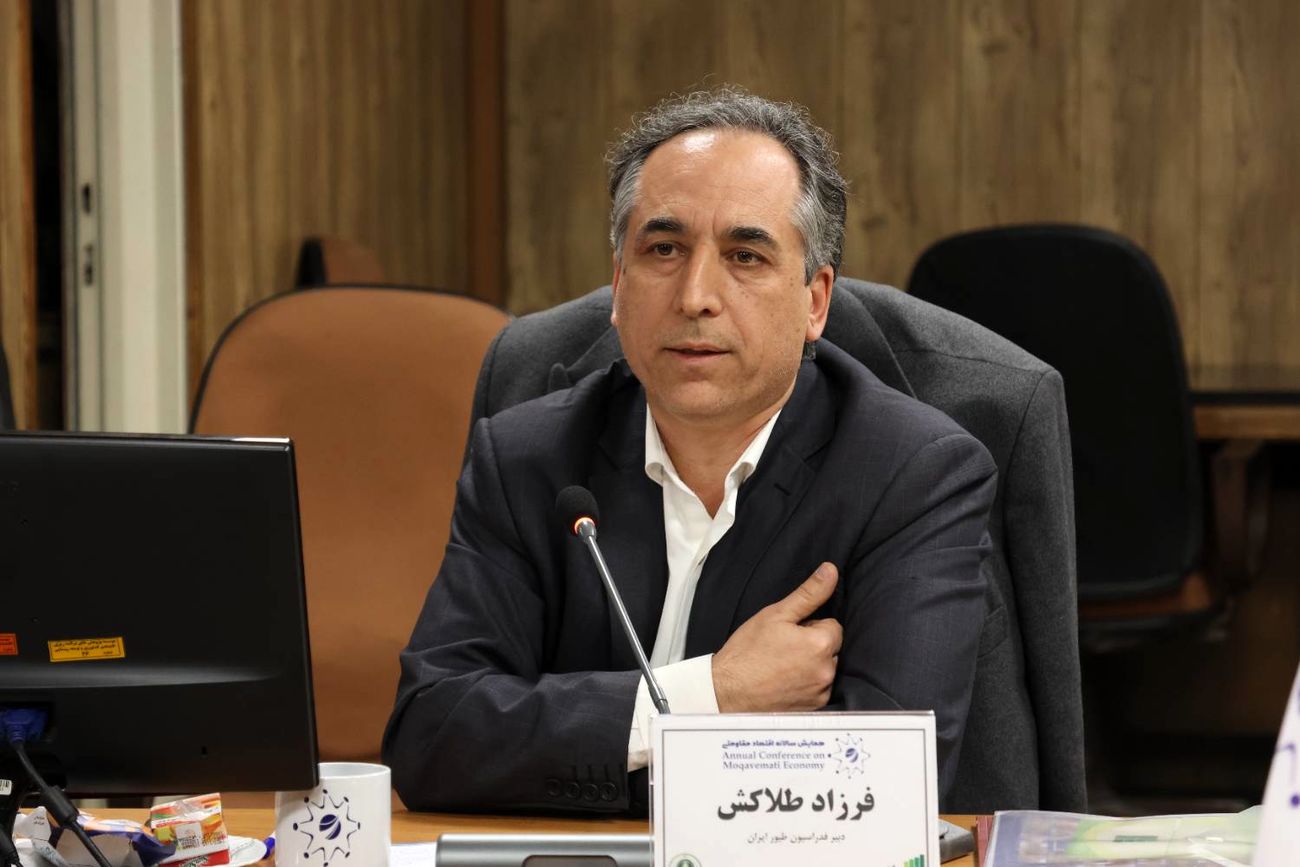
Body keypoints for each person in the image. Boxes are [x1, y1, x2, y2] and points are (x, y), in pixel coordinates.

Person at [383, 88, 997, 815]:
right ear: (619, 285)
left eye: (745, 256)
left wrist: (579, 747)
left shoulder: (913, 474)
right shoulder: (527, 457)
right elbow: (432, 735)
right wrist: (713, 693)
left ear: (815, 302)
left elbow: (884, 783)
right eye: (664, 250)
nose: (695, 296)